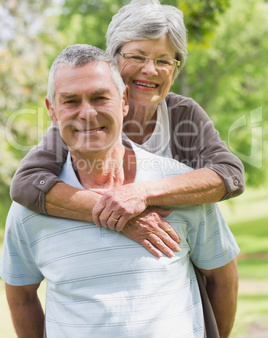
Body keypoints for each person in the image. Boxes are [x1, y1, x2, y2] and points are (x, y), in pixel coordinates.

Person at [1, 45, 239, 337]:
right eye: (70, 101)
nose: (87, 113)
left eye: (100, 97)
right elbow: (21, 295)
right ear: (52, 111)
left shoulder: (183, 188)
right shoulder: (30, 209)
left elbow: (223, 279)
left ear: (124, 101)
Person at [9, 0, 245, 257]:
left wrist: (142, 194)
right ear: (113, 59)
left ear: (175, 69)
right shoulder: (85, 122)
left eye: (163, 61)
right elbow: (26, 184)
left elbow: (229, 174)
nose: (150, 70)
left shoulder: (183, 114)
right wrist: (119, 214)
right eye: (137, 56)